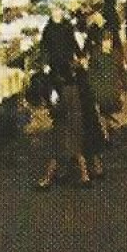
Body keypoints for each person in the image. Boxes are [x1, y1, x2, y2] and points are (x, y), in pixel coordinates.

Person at [36, 61, 93, 190]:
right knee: (77, 151)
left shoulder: (63, 91)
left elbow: (60, 109)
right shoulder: (75, 88)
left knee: (57, 152)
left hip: (65, 124)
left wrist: (51, 108)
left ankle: (47, 180)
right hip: (76, 122)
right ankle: (85, 177)